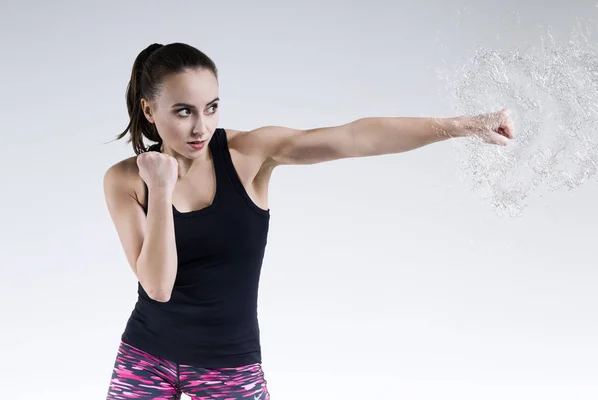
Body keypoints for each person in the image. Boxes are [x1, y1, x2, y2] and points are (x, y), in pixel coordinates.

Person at [102, 42, 515, 400]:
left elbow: (352, 137)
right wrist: (160, 189)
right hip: (146, 358)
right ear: (149, 110)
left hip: (230, 367)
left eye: (211, 108)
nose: (201, 127)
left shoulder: (249, 155)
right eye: (183, 111)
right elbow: (157, 287)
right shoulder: (125, 180)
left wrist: (458, 126)